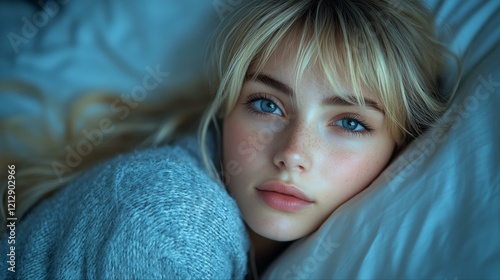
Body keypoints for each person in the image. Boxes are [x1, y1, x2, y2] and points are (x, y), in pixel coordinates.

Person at [1, 0, 454, 278]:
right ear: (227, 109)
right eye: (267, 105)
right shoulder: (174, 224)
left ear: (402, 145)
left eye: (350, 123)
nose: (293, 154)